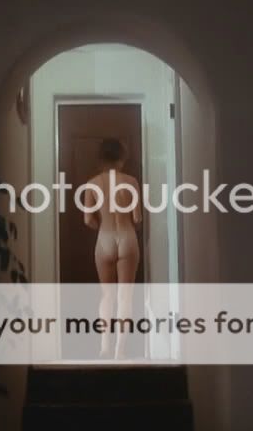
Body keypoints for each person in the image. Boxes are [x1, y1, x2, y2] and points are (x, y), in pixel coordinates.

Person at [83, 138, 142, 359]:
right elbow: (137, 217)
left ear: (101, 158)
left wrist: (102, 226)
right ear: (122, 157)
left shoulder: (92, 184)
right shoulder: (131, 182)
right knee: (125, 296)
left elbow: (88, 219)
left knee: (107, 295)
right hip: (127, 237)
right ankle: (120, 350)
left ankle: (105, 346)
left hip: (105, 238)